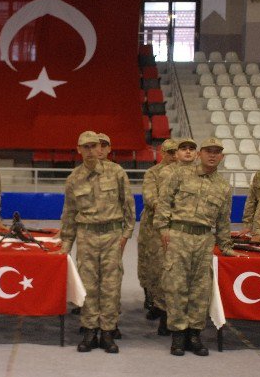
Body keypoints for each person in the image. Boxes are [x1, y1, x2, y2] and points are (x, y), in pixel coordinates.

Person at [153, 137, 242, 357]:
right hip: (179, 236)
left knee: (200, 289)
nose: (212, 155)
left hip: (204, 240)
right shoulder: (180, 173)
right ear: (200, 154)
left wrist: (225, 245)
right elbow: (164, 201)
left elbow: (223, 220)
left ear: (221, 157)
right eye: (208, 151)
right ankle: (178, 334)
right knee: (176, 285)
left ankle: (195, 333)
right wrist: (164, 229)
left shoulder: (223, 186)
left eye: (217, 152)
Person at [59, 131, 135, 354]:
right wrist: (66, 243)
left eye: (95, 146)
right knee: (88, 284)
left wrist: (126, 234)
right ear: (79, 150)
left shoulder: (116, 172)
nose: (92, 150)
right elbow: (69, 213)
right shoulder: (74, 178)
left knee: (111, 285)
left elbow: (128, 205)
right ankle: (90, 330)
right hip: (87, 236)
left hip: (112, 236)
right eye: (86, 147)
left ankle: (108, 332)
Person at [152, 137, 197, 335]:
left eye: (191, 149)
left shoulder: (200, 174)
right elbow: (161, 203)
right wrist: (165, 228)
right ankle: (165, 315)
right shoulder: (166, 173)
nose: (187, 152)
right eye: (182, 149)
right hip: (171, 231)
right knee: (168, 274)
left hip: (192, 234)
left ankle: (189, 322)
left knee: (191, 280)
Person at [139, 139, 177, 326]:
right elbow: (150, 197)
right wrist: (170, 209)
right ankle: (154, 300)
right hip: (153, 227)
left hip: (176, 226)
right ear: (163, 153)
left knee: (172, 267)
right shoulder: (153, 173)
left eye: (176, 152)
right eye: (170, 152)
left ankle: (168, 305)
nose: (173, 156)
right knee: (154, 265)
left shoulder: (186, 173)